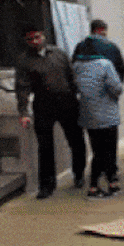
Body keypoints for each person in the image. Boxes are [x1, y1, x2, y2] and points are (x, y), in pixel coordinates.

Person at [15, 24, 87, 199]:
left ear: (43, 36)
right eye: (30, 39)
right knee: (45, 146)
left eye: (37, 37)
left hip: (67, 102)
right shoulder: (24, 60)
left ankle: (79, 174)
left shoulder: (59, 54)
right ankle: (46, 185)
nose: (34, 41)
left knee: (76, 140)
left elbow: (72, 76)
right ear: (26, 41)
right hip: (43, 105)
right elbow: (22, 87)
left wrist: (80, 98)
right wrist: (23, 112)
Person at [73, 19, 124, 182]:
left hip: (87, 107)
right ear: (100, 30)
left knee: (96, 145)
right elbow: (120, 73)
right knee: (110, 143)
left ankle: (93, 175)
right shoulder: (108, 55)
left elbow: (73, 80)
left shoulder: (78, 58)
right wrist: (115, 92)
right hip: (107, 104)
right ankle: (111, 174)